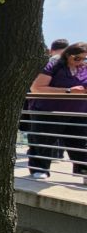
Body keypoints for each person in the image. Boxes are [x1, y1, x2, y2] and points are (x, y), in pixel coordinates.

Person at [26, 41, 87, 182]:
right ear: (67, 55)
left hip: (79, 112)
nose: (80, 61)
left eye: (84, 58)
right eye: (77, 58)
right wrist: (69, 91)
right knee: (43, 139)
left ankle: (83, 170)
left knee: (80, 142)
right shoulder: (52, 66)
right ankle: (40, 169)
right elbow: (37, 88)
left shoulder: (84, 68)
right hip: (49, 111)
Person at [20, 39, 69, 132]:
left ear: (51, 50)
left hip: (38, 106)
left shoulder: (42, 62)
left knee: (38, 134)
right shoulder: (68, 63)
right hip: (63, 107)